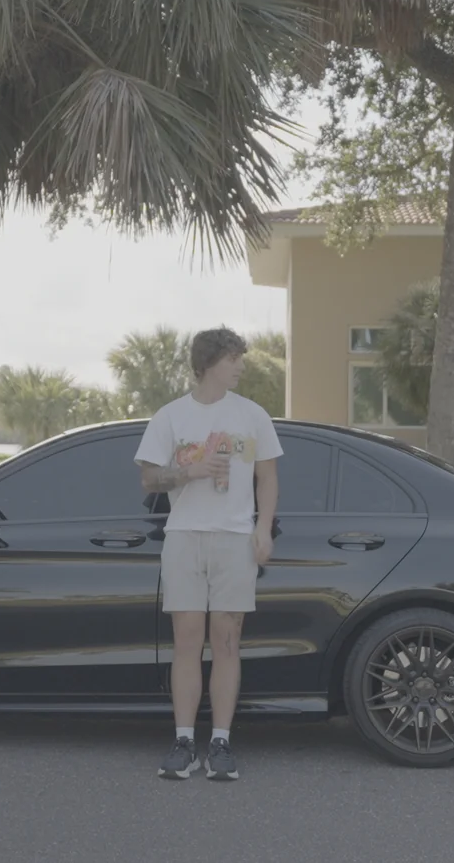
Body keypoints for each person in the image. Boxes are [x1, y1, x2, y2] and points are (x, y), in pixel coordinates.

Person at [134, 327, 281, 781]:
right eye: (233, 358)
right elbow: (149, 478)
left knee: (227, 641)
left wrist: (262, 528)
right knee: (186, 641)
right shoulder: (171, 416)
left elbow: (267, 478)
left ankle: (220, 742)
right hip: (184, 537)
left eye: (240, 358)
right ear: (209, 363)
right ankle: (183, 742)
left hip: (235, 539)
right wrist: (190, 470)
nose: (241, 366)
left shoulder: (253, 415)